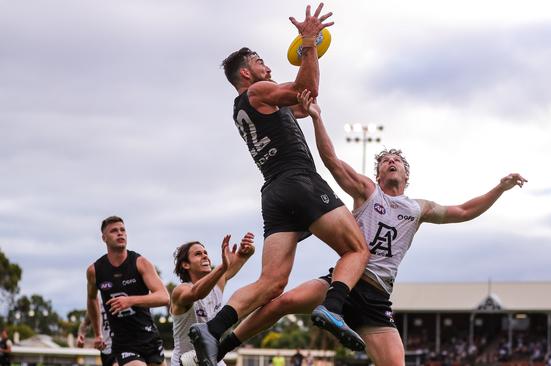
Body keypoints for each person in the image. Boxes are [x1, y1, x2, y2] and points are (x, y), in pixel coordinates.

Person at [214, 91, 528, 366]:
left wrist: (499, 189)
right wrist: (316, 118)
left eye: (397, 160)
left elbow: (464, 211)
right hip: (345, 281)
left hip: (377, 297)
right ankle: (220, 347)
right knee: (280, 303)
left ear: (406, 174)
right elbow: (332, 162)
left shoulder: (419, 208)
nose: (391, 162)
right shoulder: (366, 191)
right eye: (384, 161)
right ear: (377, 174)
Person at [189, 4, 369, 365]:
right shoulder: (258, 92)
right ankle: (334, 307)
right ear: (245, 71)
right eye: (259, 61)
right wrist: (306, 43)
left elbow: (305, 97)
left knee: (271, 283)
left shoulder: (251, 104)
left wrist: (311, 55)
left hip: (273, 193)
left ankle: (211, 330)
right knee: (356, 250)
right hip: (299, 180)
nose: (268, 66)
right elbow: (308, 86)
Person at [86, 216, 170, 366]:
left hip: (149, 337)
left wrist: (130, 300)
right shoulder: (95, 270)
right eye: (114, 231)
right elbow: (92, 299)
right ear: (104, 238)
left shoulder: (141, 263)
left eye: (123, 230)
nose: (120, 233)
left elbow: (164, 297)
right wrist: (98, 333)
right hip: (123, 342)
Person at [170, 233, 255, 366]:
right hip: (185, 362)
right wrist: (223, 267)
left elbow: (241, 257)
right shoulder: (180, 291)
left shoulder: (219, 282)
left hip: (213, 357)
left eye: (205, 252)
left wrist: (248, 249)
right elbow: (197, 293)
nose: (205, 256)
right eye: (198, 254)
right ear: (186, 265)